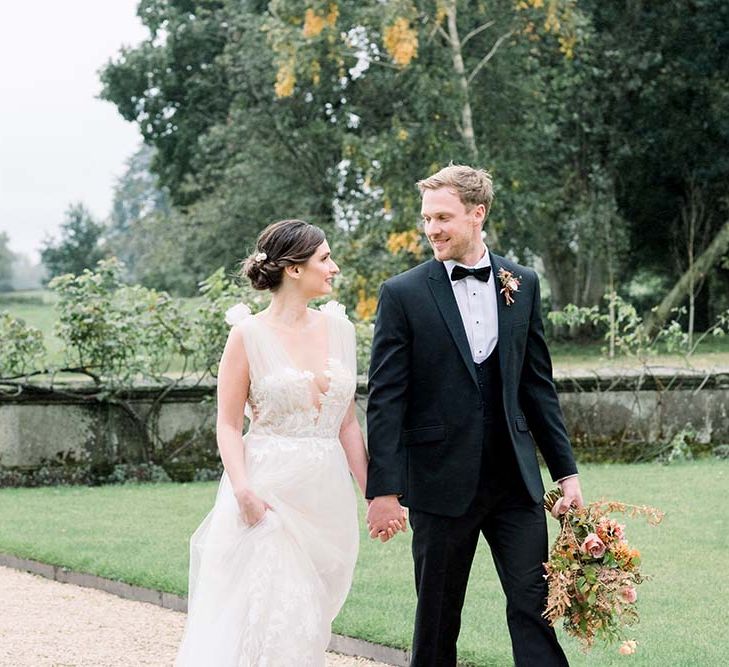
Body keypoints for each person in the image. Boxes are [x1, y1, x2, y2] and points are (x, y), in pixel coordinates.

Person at [365, 165, 584, 667]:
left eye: (443, 217)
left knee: (536, 608)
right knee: (438, 619)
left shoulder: (522, 283)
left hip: (516, 483)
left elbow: (537, 387)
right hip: (440, 485)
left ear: (477, 213)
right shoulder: (403, 294)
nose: (431, 229)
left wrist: (566, 473)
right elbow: (386, 398)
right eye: (426, 218)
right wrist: (384, 489)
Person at [175, 219, 401, 666]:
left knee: (311, 618)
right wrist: (243, 491)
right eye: (324, 258)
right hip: (268, 491)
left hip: (325, 495)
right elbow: (226, 424)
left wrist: (374, 493)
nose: (334, 268)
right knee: (270, 612)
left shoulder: (340, 330)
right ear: (294, 269)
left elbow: (347, 425)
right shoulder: (247, 335)